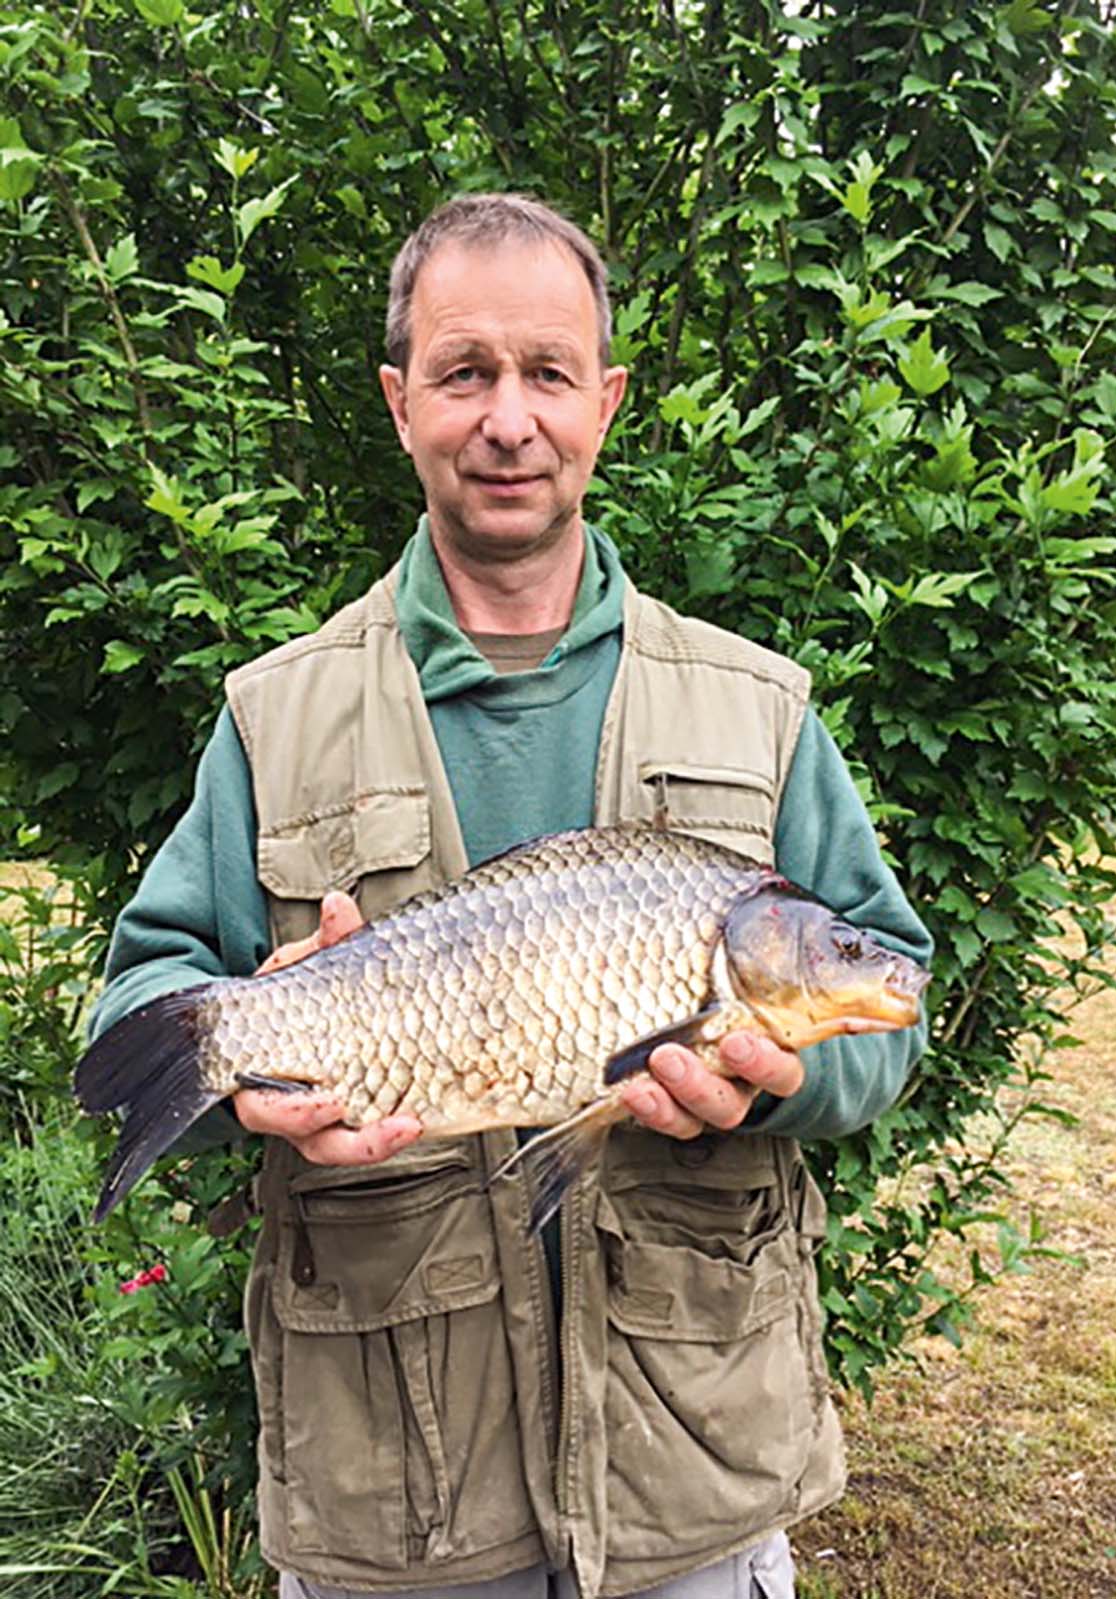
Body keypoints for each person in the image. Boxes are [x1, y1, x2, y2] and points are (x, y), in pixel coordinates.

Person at [90, 193, 932, 1599]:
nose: (508, 418)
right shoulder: (275, 718)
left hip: (693, 1489)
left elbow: (888, 1002)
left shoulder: (759, 711)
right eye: (464, 371)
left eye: (547, 373)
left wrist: (778, 1085)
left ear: (603, 402)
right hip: (391, 1504)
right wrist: (247, 1079)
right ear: (400, 400)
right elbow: (146, 993)